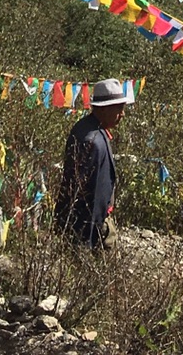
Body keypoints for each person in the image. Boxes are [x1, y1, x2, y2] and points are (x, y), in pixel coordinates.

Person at [55, 79, 130, 248]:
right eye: (119, 108)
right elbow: (84, 192)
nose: (122, 114)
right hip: (88, 227)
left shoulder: (93, 130)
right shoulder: (91, 140)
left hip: (93, 223)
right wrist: (87, 240)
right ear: (104, 108)